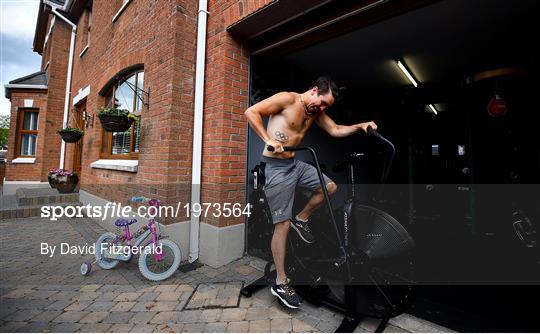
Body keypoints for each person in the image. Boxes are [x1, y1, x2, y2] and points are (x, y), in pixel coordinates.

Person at [244, 76, 377, 309]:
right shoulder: (287, 99)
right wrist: (267, 140)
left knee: (330, 187)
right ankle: (281, 281)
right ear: (314, 90)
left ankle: (302, 219)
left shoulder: (315, 112)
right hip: (277, 168)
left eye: (327, 106)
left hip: (295, 163)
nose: (322, 109)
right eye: (322, 103)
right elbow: (251, 112)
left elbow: (335, 130)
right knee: (281, 224)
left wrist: (359, 126)